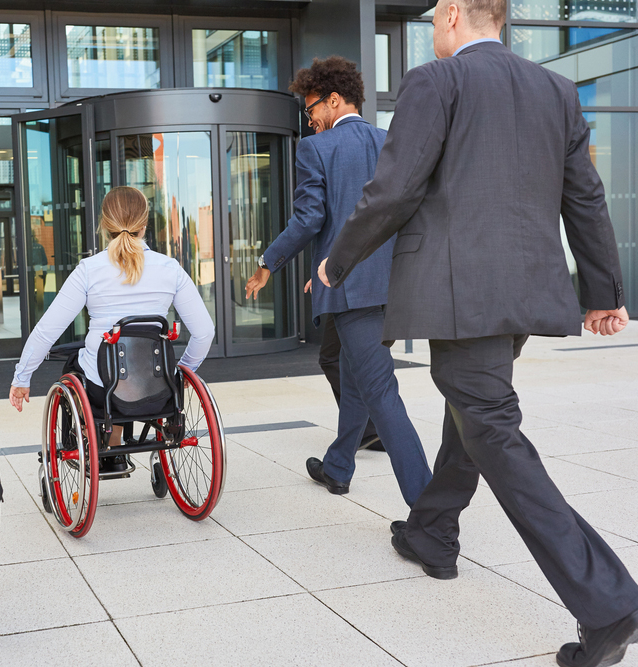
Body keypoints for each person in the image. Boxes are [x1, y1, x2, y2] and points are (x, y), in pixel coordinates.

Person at [317, 1, 637, 665]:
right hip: (522, 293)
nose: (434, 25)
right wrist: (602, 291)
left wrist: (339, 258)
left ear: (456, 14)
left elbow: (395, 187)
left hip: (464, 294)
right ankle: (433, 529)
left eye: (436, 14)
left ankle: (608, 603)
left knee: (488, 422)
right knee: (473, 408)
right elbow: (584, 193)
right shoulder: (555, 89)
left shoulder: (437, 81)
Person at [245, 56, 430, 506]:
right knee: (353, 375)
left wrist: (269, 262)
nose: (309, 122)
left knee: (382, 394)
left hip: (353, 292)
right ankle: (338, 466)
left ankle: (429, 513)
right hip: (391, 286)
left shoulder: (316, 150)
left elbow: (311, 219)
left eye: (311, 110)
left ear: (333, 100)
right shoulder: (390, 142)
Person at [9, 186, 214, 468]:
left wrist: (22, 377)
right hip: (158, 385)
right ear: (144, 225)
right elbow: (204, 332)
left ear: (104, 226)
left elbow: (47, 330)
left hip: (101, 387)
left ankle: (100, 440)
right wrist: (180, 374)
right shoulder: (170, 268)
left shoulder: (89, 270)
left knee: (76, 363)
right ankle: (118, 443)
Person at [308, 278, 384, 452]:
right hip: (353, 285)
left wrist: (331, 269)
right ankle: (369, 430)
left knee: (333, 358)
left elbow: (354, 249)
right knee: (341, 360)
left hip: (355, 289)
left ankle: (371, 429)